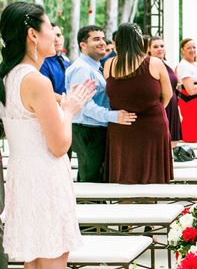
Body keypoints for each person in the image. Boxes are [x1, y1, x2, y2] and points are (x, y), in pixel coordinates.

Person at [0, 2, 95, 269]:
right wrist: (68, 109)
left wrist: (61, 106)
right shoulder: (36, 80)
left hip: (24, 179)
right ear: (31, 34)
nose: (55, 33)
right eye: (50, 26)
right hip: (45, 180)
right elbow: (59, 145)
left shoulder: (8, 77)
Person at [104, 23, 173, 184]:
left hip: (122, 126)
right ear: (139, 40)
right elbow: (168, 94)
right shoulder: (154, 63)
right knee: (152, 180)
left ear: (118, 41)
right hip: (152, 125)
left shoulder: (109, 64)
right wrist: (154, 110)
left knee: (124, 178)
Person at [65, 25, 136, 182]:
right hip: (88, 130)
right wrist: (114, 116)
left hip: (94, 129)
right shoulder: (82, 69)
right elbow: (84, 105)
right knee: (91, 179)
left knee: (93, 176)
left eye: (103, 38)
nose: (102, 42)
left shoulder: (94, 67)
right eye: (96, 39)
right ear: (83, 45)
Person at [148, 36, 182, 149]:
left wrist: (178, 109)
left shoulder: (168, 64)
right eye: (155, 47)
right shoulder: (148, 65)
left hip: (172, 105)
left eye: (162, 46)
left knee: (172, 143)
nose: (159, 49)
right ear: (149, 49)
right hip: (160, 106)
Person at [176, 38, 197, 142]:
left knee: (196, 137)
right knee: (191, 137)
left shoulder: (194, 64)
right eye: (189, 48)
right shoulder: (184, 66)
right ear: (182, 50)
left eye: (194, 47)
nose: (192, 50)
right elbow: (191, 90)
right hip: (190, 104)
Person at [39, 23, 69, 102]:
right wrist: (68, 101)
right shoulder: (42, 63)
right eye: (52, 36)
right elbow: (43, 93)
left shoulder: (67, 63)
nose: (56, 39)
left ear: (62, 38)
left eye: (58, 35)